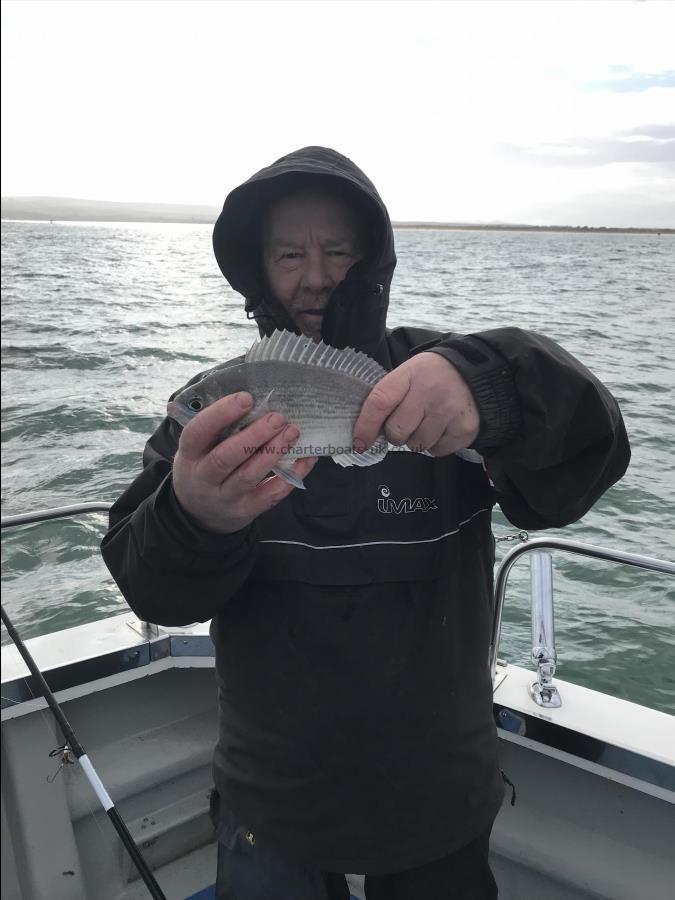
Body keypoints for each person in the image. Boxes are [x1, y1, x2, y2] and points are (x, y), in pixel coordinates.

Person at [101, 146, 630, 899]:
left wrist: (495, 387)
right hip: (269, 807)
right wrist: (193, 516)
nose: (315, 275)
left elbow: (591, 454)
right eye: (289, 253)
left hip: (438, 806)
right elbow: (151, 590)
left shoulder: (440, 378)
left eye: (338, 251)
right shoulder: (212, 408)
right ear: (256, 269)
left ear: (372, 258)